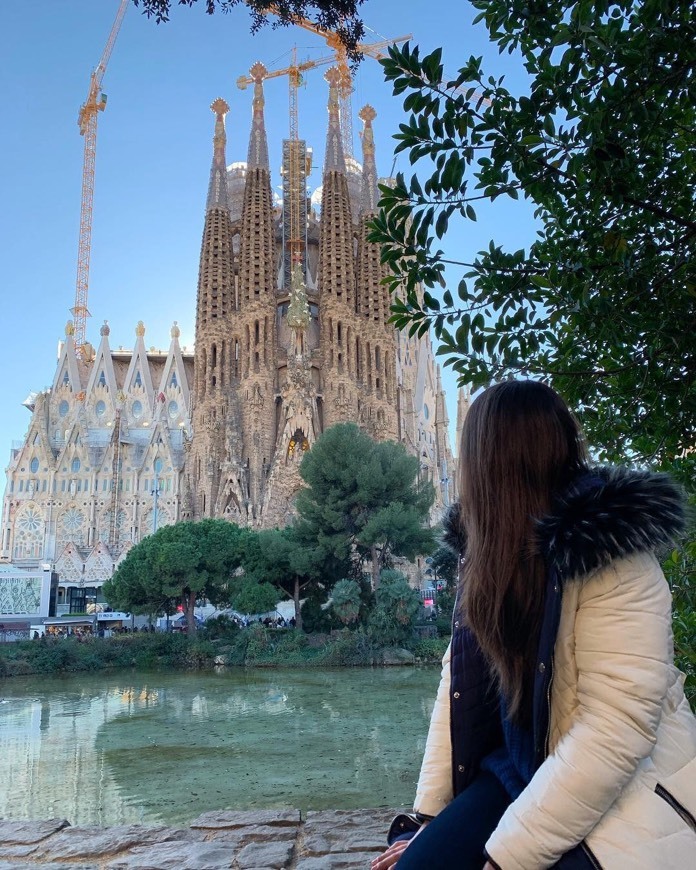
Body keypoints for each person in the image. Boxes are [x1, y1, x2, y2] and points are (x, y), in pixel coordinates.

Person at [372, 381, 696, 870]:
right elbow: (455, 686)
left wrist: (507, 858)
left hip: (630, 780)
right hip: (519, 769)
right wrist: (428, 819)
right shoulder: (486, 555)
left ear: (489, 464)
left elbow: (617, 729)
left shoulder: (612, 554)